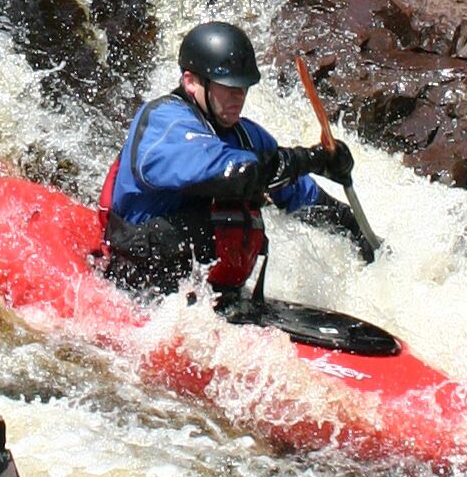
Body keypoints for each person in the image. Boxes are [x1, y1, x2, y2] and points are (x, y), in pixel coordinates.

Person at [99, 22, 358, 300]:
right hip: (138, 286)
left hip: (211, 294)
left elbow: (298, 194)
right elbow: (236, 173)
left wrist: (355, 230)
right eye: (228, 87)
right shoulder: (164, 123)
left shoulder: (247, 136)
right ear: (191, 82)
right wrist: (310, 159)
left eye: (243, 87)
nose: (239, 96)